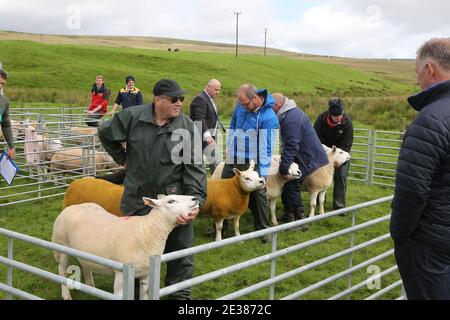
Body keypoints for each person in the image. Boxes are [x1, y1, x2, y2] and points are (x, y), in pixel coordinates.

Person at [98, 79, 207, 300]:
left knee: (180, 257)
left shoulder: (186, 127)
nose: (179, 103)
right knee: (133, 257)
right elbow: (105, 132)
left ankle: (179, 299)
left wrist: (196, 200)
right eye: (174, 99)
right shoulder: (133, 117)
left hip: (174, 205)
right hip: (138, 201)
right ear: (158, 100)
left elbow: (195, 168)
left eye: (181, 99)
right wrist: (122, 158)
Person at [390, 38, 450, 300]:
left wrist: (400, 236)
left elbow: (412, 191)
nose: (417, 81)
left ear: (429, 69)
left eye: (417, 73)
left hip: (431, 244)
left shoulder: (431, 119)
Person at [222, 83, 279, 243]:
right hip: (235, 156)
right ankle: (220, 227)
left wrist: (263, 171)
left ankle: (263, 231)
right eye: (241, 104)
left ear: (255, 98)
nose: (242, 107)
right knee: (225, 188)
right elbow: (233, 123)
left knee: (258, 193)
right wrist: (229, 145)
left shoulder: (269, 118)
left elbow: (267, 147)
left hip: (253, 160)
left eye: (245, 104)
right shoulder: (242, 106)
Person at [272, 93, 328, 228]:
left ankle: (300, 220)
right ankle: (289, 214)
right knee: (287, 182)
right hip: (304, 154)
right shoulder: (290, 114)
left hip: (307, 156)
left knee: (292, 183)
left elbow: (291, 145)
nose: (269, 110)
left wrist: (284, 168)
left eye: (270, 107)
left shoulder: (292, 119)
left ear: (277, 105)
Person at [313, 98, 353, 210]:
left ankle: (339, 206)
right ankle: (319, 202)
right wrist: (325, 156)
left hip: (341, 154)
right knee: (319, 174)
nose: (338, 117)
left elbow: (347, 144)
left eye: (340, 114)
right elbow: (316, 138)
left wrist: (339, 160)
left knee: (340, 176)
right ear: (330, 114)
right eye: (335, 115)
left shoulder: (347, 123)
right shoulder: (321, 119)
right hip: (323, 153)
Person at [189, 79, 225, 174]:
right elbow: (199, 119)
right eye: (216, 89)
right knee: (218, 164)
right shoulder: (200, 99)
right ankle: (217, 184)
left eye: (218, 90)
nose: (217, 92)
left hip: (208, 137)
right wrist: (208, 136)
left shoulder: (208, 99)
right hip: (201, 138)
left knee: (214, 164)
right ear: (208, 87)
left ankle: (215, 184)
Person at [0, 68, 16, 159]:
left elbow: (6, 125)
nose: (0, 86)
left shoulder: (4, 101)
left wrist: (11, 146)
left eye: (3, 84)